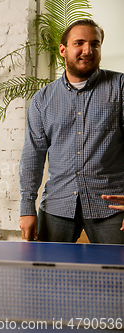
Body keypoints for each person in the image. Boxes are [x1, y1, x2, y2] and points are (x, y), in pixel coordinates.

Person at [19, 19, 124, 244]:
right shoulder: (42, 100)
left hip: (112, 208)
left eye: (95, 44)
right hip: (57, 206)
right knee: (47, 275)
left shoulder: (120, 88)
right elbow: (32, 156)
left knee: (116, 277)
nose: (88, 50)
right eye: (80, 43)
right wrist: (27, 208)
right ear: (63, 50)